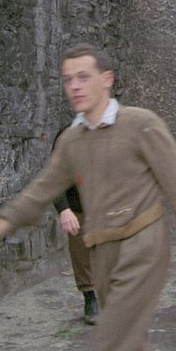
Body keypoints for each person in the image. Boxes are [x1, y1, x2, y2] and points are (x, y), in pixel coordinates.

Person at [0, 43, 176, 351]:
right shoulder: (72, 140)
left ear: (107, 79)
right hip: (101, 252)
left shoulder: (141, 124)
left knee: (110, 348)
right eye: (68, 79)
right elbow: (40, 191)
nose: (74, 86)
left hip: (143, 247)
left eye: (83, 77)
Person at [52, 124, 98, 325]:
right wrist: (64, 209)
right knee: (81, 253)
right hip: (78, 206)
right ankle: (90, 297)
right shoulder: (67, 136)